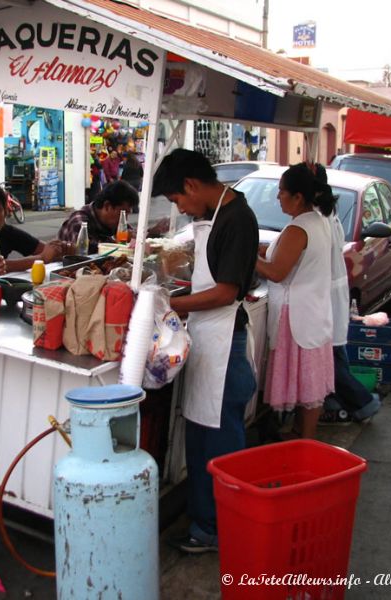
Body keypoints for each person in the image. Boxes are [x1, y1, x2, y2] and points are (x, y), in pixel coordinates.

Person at [153, 149, 258, 554]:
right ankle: (205, 523)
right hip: (210, 338)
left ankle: (217, 529)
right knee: (201, 440)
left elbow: (226, 291)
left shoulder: (237, 219)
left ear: (192, 186)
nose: (180, 207)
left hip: (224, 344)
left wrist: (168, 303)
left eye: (178, 199)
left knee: (219, 448)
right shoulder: (216, 214)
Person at [256, 162, 336, 439]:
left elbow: (277, 272)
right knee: (310, 383)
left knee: (304, 382)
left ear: (298, 197)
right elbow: (284, 254)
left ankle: (304, 441)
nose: (278, 197)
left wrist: (247, 255)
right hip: (313, 310)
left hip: (296, 315)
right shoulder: (318, 221)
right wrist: (262, 249)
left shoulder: (298, 229)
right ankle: (304, 437)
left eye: (281, 192)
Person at [311, 163, 382, 424]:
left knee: (330, 359)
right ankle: (339, 403)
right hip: (332, 294)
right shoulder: (328, 213)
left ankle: (362, 402)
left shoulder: (317, 218)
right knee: (335, 353)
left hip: (326, 297)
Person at [0, 182, 65, 275]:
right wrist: (41, 259)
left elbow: (47, 251)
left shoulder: (7, 232)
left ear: (5, 212)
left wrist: (60, 248)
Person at [58, 180, 138, 253]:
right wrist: (117, 241)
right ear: (107, 206)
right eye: (123, 213)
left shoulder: (114, 222)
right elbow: (85, 249)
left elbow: (132, 233)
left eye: (127, 214)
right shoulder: (79, 220)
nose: (125, 219)